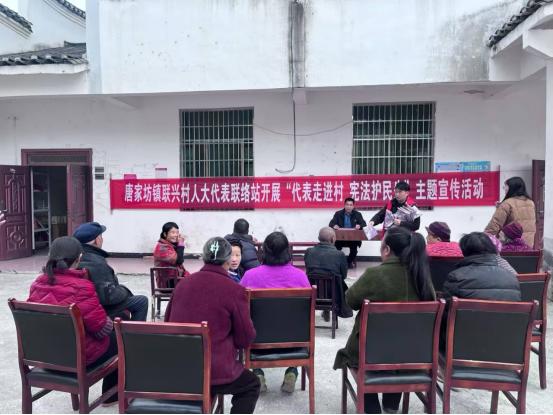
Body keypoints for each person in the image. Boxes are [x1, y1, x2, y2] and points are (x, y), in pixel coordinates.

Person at [333, 226, 435, 414]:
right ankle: (391, 404)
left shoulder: (375, 275)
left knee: (368, 349)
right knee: (400, 345)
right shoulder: (422, 277)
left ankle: (371, 407)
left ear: (387, 249)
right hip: (413, 355)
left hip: (370, 355)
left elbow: (350, 301)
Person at [165, 237, 260, 414]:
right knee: (251, 384)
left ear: (203, 258)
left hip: (179, 369)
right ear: (227, 260)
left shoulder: (182, 284)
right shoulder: (234, 290)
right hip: (215, 372)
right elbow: (245, 338)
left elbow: (167, 324)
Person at [27, 236, 118, 404]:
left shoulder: (37, 284)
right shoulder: (82, 287)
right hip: (77, 359)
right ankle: (111, 395)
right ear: (79, 258)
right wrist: (111, 322)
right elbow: (101, 330)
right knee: (120, 338)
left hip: (44, 357)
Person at [241, 231, 311, 394]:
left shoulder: (250, 276)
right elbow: (308, 314)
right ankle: (292, 370)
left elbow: (239, 308)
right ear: (287, 251)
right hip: (294, 342)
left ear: (264, 251)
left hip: (257, 341)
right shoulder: (301, 277)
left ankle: (257, 373)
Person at [74, 222, 148, 321]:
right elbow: (109, 297)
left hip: (85, 304)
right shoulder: (97, 262)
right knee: (141, 301)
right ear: (97, 240)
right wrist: (124, 291)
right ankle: (134, 331)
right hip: (101, 308)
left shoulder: (75, 257)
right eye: (101, 236)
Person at [443, 232, 521, 301]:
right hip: (504, 314)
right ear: (492, 249)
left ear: (464, 251)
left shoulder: (456, 278)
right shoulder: (512, 278)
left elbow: (447, 309)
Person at [304, 226, 353, 320]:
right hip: (334, 295)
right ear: (333, 239)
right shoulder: (339, 254)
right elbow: (344, 275)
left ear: (318, 238)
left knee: (320, 277)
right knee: (337, 282)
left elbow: (308, 270)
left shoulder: (309, 252)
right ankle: (329, 309)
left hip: (313, 292)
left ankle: (325, 310)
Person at [485, 176, 536, 248]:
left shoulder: (507, 204)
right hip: (527, 246)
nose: (504, 189)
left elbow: (495, 225)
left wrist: (482, 239)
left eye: (505, 187)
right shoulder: (530, 203)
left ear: (512, 188)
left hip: (510, 246)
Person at [329, 197, 367, 268]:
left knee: (354, 251)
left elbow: (364, 224)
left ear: (353, 206)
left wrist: (359, 226)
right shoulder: (338, 214)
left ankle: (347, 263)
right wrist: (334, 225)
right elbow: (331, 223)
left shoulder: (357, 214)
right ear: (344, 205)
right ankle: (338, 264)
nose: (348, 206)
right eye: (347, 204)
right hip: (340, 238)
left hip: (353, 239)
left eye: (350, 205)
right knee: (336, 250)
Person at [153, 222, 190, 287]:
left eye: (177, 232)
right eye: (173, 232)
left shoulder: (170, 245)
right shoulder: (162, 247)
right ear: (165, 234)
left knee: (197, 280)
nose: (176, 235)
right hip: (167, 284)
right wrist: (181, 244)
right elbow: (179, 261)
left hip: (174, 279)